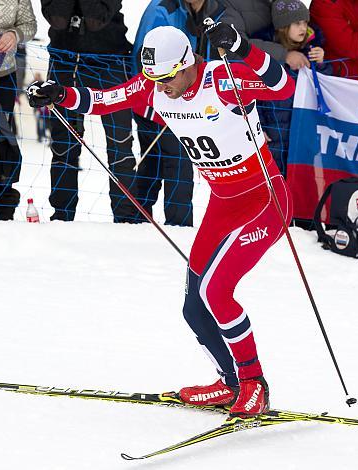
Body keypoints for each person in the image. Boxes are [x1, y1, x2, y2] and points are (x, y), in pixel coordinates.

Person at [26, 23, 295, 417]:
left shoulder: (221, 80)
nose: (162, 87)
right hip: (223, 202)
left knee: (217, 293)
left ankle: (255, 385)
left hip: (265, 199)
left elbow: (284, 87)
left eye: (168, 77)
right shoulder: (155, 84)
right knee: (194, 307)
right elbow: (105, 99)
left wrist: (242, 47)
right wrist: (60, 94)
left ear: (187, 64)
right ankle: (230, 382)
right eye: (154, 78)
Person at [41, 0, 138, 222]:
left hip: (110, 63)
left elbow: (97, 19)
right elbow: (57, 18)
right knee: (64, 145)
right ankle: (62, 217)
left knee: (120, 145)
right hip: (64, 63)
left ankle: (126, 220)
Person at [132, 0, 226, 226]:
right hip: (158, 102)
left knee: (168, 163)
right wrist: (158, 101)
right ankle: (160, 224)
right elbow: (144, 60)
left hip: (188, 101)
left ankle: (145, 221)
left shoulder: (216, 9)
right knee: (166, 163)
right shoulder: (162, 9)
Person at [0, 0, 36, 220]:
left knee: (2, 139)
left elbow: (30, 24)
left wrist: (14, 34)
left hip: (4, 74)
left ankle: (0, 205)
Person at [258, 0, 332, 180]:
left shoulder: (311, 51)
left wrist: (321, 63)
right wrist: (258, 124)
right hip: (274, 130)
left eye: (305, 23)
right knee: (276, 180)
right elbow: (255, 95)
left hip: (303, 129)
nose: (303, 28)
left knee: (304, 181)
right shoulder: (269, 58)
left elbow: (324, 84)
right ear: (283, 26)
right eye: (297, 23)